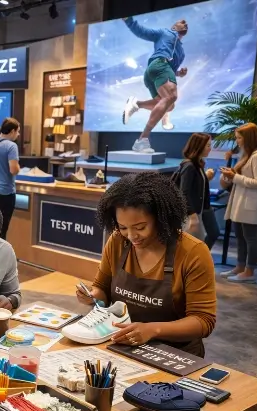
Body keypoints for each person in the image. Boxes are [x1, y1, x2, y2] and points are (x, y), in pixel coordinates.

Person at [77, 172, 216, 356]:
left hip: (175, 354)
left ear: (161, 217)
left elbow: (203, 320)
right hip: (122, 346)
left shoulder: (193, 252)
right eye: (123, 227)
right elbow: (102, 288)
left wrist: (152, 330)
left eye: (141, 227)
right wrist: (93, 296)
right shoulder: (118, 242)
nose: (132, 236)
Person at [122, 16, 189, 153]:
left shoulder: (181, 52)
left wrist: (178, 73)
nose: (184, 23)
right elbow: (142, 31)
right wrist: (129, 20)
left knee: (169, 106)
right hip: (159, 65)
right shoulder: (165, 33)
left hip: (156, 72)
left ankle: (137, 104)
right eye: (180, 22)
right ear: (174, 27)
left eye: (186, 23)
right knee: (170, 96)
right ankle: (142, 140)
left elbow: (170, 70)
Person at [219, 123, 257, 284]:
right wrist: (231, 175)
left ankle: (249, 271)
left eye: (239, 138)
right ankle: (240, 267)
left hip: (250, 204)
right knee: (240, 237)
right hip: (240, 202)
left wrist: (235, 177)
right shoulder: (247, 155)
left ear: (248, 138)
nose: (237, 141)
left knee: (250, 237)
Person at [177, 133, 219, 249]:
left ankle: (200, 260)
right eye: (207, 146)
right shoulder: (189, 166)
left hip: (203, 208)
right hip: (195, 210)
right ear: (199, 146)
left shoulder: (197, 164)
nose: (210, 148)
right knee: (192, 242)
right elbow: (184, 192)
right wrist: (192, 214)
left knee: (211, 234)